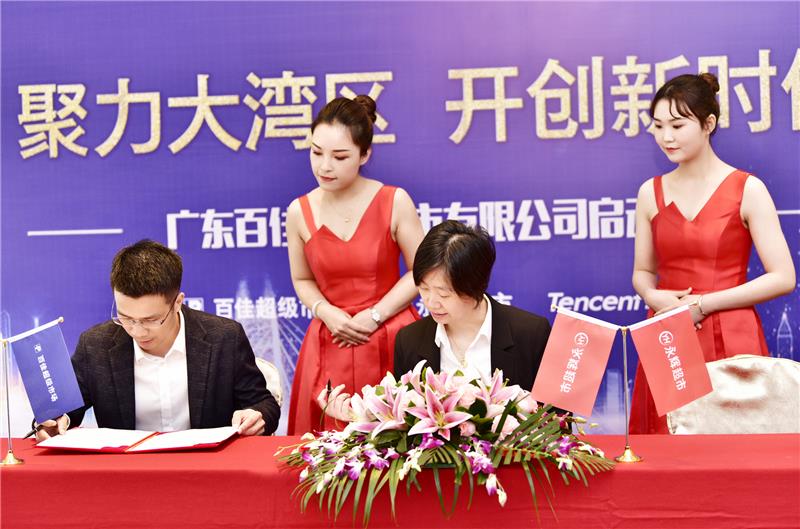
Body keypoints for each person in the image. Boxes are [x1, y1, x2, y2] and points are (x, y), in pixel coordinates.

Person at [630, 73, 796, 434]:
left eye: (677, 125)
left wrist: (703, 305)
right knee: (665, 447)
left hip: (734, 333)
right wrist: (653, 296)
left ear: (708, 124)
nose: (666, 136)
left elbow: (783, 277)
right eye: (658, 125)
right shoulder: (649, 193)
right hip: (669, 335)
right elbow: (642, 271)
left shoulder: (748, 189)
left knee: (736, 445)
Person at [36, 240, 280, 440]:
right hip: (127, 472)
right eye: (125, 318)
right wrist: (54, 422)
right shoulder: (96, 345)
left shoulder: (224, 338)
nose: (137, 331)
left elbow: (262, 403)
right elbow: (66, 410)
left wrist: (256, 416)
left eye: (151, 320)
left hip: (208, 470)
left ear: (178, 302)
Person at [285, 95, 424, 435]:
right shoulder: (298, 211)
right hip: (331, 336)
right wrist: (326, 312)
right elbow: (302, 279)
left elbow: (421, 271)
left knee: (399, 444)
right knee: (326, 446)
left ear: (364, 155)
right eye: (316, 152)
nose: (324, 166)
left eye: (340, 156)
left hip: (391, 332)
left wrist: (375, 315)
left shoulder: (394, 201)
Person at [319, 220, 552, 418]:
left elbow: (555, 420)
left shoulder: (530, 333)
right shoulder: (410, 340)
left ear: (475, 286)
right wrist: (357, 417)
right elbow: (404, 423)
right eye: (423, 289)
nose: (431, 302)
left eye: (444, 293)